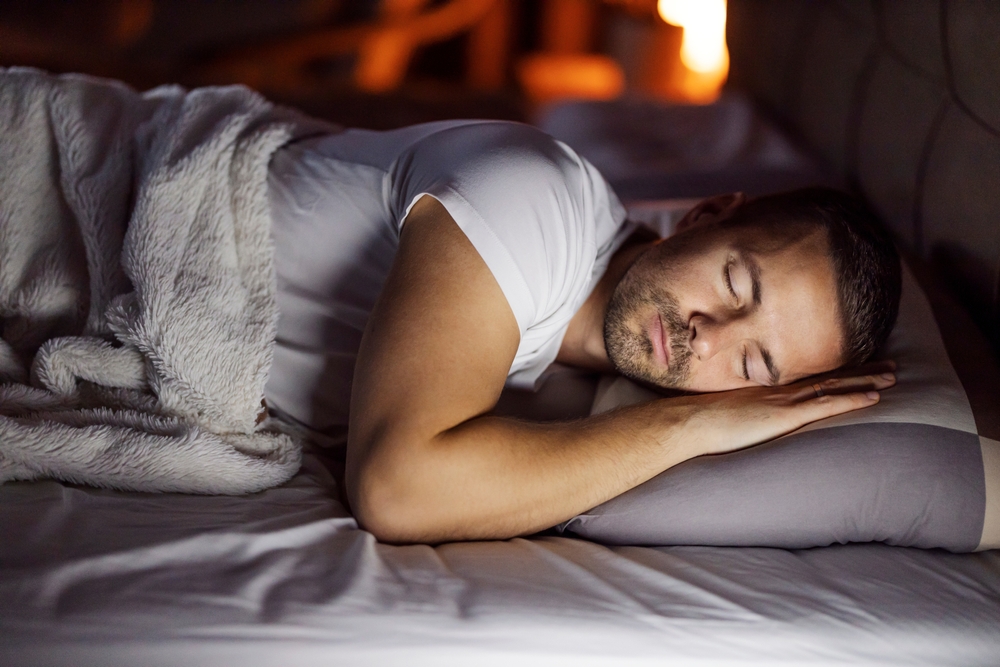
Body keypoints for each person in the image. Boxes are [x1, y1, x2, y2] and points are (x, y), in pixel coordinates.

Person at [263, 119, 901, 544]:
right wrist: (695, 425)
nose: (708, 337)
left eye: (751, 365)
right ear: (704, 215)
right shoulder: (531, 197)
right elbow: (395, 490)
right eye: (734, 284)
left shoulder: (586, 362)